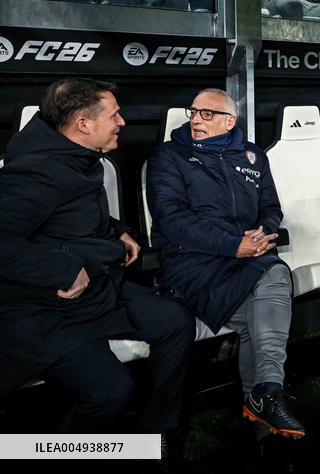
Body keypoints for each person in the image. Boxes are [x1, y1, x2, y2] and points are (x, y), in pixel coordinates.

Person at [0, 78, 194, 436]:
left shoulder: (72, 154)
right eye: (114, 115)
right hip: (48, 310)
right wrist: (65, 270)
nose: (122, 122)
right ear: (83, 124)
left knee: (175, 319)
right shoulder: (36, 171)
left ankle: (158, 434)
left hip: (100, 289)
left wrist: (116, 228)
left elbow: (67, 214)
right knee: (110, 393)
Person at [147, 88, 304, 439]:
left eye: (206, 114)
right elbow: (171, 221)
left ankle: (264, 399)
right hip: (193, 266)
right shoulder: (168, 156)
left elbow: (271, 208)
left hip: (245, 261)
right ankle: (265, 400)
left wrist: (262, 235)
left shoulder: (252, 155)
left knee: (267, 289)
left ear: (229, 121)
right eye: (193, 112)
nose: (195, 120)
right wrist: (235, 246)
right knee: (275, 275)